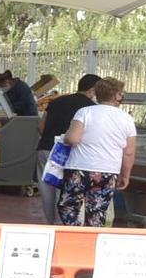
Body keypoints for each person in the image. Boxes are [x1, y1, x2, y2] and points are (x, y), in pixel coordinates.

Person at [59, 77, 136, 227]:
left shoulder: (84, 112)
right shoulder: (127, 119)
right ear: (116, 95)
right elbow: (129, 152)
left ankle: (74, 234)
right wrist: (125, 175)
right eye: (121, 93)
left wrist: (66, 137)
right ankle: (90, 240)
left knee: (68, 206)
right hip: (108, 172)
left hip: (79, 169)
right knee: (97, 211)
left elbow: (73, 139)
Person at [37, 74, 100, 225]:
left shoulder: (57, 101)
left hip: (45, 149)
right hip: (69, 153)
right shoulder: (91, 109)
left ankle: (51, 224)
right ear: (92, 90)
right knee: (64, 190)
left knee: (46, 189)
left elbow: (40, 126)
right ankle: (62, 226)